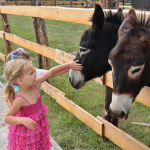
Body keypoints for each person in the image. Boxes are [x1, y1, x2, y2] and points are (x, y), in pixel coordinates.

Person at [4, 58, 82, 150]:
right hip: (26, 136)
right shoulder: (20, 99)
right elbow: (7, 118)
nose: (35, 74)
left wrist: (69, 65)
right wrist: (23, 120)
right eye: (31, 73)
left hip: (39, 129)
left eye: (34, 71)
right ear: (20, 81)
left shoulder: (37, 83)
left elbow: (51, 72)